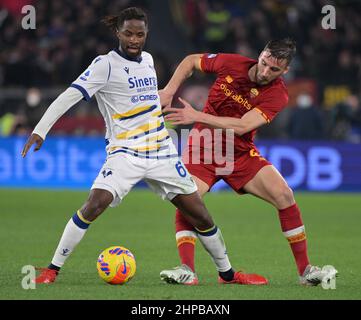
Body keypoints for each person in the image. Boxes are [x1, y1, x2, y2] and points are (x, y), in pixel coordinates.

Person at [21, 7, 267, 285]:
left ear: (146, 34)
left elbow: (145, 99)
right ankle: (52, 269)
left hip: (161, 150)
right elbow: (70, 96)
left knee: (199, 214)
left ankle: (228, 275)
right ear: (118, 32)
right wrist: (41, 130)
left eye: (140, 34)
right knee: (94, 204)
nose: (134, 39)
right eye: (128, 33)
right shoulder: (105, 64)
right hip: (125, 153)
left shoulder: (148, 60)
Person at [159, 38, 338, 286]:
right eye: (264, 63)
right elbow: (191, 61)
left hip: (240, 152)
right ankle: (187, 269)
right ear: (261, 53)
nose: (265, 72)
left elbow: (243, 125)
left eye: (274, 70)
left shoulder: (278, 95)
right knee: (189, 200)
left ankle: (305, 271)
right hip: (203, 147)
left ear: (285, 71)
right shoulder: (232, 63)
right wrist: (168, 91)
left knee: (284, 195)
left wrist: (197, 115)